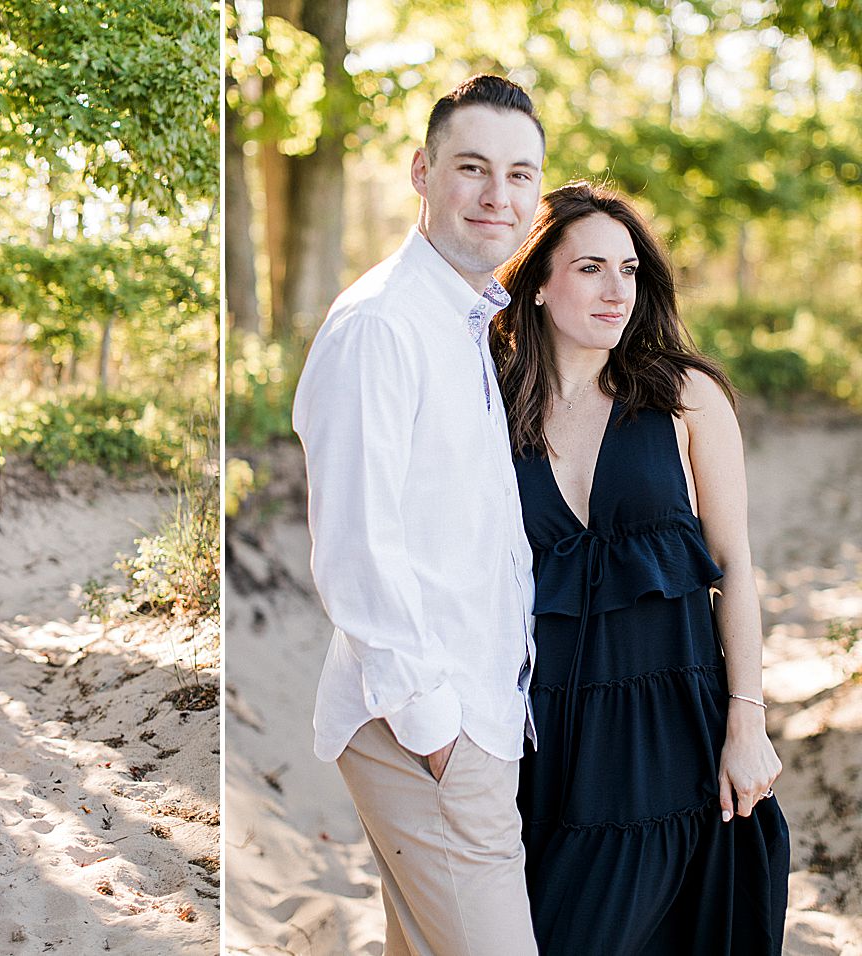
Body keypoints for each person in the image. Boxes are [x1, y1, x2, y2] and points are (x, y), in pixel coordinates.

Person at [490, 181, 790, 953]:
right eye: (590, 268)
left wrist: (747, 721)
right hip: (549, 743)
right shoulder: (488, 408)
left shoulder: (687, 397)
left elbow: (735, 564)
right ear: (538, 281)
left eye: (628, 270)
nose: (615, 290)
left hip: (680, 738)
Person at [291, 74, 544, 955]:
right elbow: (357, 551)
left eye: (519, 175)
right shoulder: (383, 324)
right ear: (421, 172)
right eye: (471, 167)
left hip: (471, 715)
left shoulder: (463, 319)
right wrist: (436, 730)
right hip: (430, 724)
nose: (495, 195)